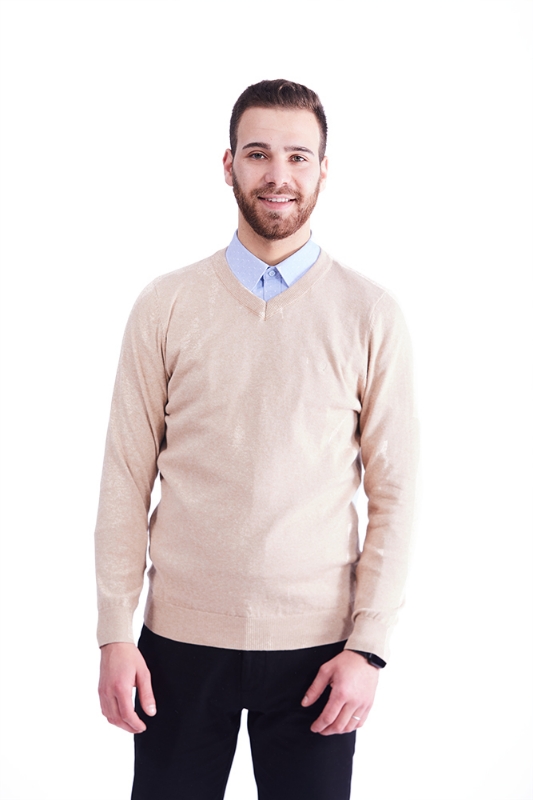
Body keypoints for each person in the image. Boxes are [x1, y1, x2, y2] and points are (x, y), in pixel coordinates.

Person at [95, 78, 418, 800]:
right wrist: (115, 631)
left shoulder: (370, 313)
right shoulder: (166, 304)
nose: (279, 175)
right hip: (177, 646)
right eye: (258, 153)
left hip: (318, 653)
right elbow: (124, 478)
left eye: (298, 157)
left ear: (324, 170)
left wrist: (368, 648)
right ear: (228, 164)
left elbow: (395, 493)